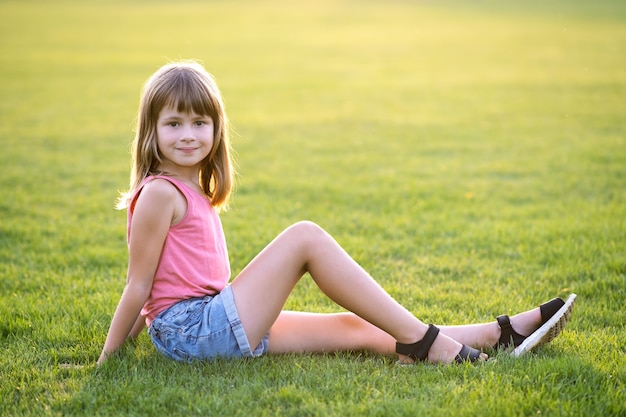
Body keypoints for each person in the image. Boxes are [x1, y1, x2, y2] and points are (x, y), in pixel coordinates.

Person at [97, 61, 575, 366]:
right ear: (151, 131)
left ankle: (499, 333)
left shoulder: (187, 188)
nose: (188, 135)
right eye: (174, 123)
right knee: (305, 237)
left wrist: (153, 332)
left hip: (203, 324)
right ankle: (432, 346)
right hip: (197, 332)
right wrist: (108, 363)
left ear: (216, 130)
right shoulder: (160, 193)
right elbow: (138, 285)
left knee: (358, 326)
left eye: (200, 123)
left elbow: (153, 291)